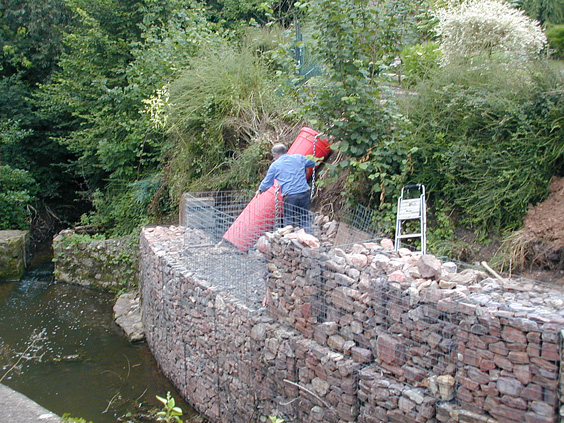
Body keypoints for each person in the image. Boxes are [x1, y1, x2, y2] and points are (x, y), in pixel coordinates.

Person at [256, 143, 316, 233]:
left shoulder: (275, 165)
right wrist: (304, 166)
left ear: (275, 154)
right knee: (304, 218)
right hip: (304, 194)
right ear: (285, 151)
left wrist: (260, 190)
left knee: (289, 222)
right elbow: (312, 163)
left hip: (290, 197)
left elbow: (267, 182)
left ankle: (290, 242)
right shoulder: (299, 158)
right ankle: (309, 240)